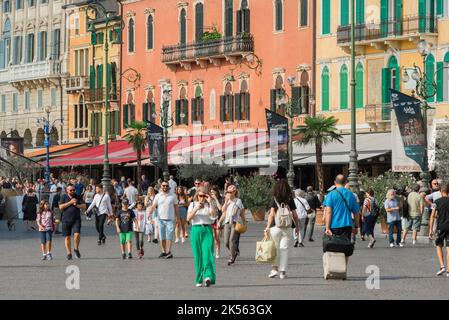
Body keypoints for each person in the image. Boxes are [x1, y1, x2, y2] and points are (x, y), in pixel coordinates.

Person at [265, 179, 299, 279]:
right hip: (287, 227)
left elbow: (271, 214)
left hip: (275, 227)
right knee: (284, 249)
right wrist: (296, 227)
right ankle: (282, 272)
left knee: (275, 248)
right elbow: (295, 215)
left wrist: (267, 227)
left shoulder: (274, 198)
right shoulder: (290, 199)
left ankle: (274, 269)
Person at [323, 175, 360, 265]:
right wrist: (356, 226)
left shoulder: (331, 194)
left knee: (332, 246)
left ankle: (333, 268)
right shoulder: (350, 194)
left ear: (335, 182)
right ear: (345, 183)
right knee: (345, 247)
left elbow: (328, 212)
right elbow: (356, 212)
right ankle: (343, 268)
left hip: (333, 225)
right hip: (347, 225)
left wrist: (327, 228)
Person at [187, 186, 217, 287]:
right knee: (198, 256)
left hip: (207, 229)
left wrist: (211, 202)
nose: (202, 198)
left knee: (207, 253)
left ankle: (208, 276)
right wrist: (196, 208)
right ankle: (199, 278)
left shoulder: (209, 205)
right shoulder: (192, 204)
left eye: (204, 196)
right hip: (196, 230)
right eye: (200, 196)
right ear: (197, 195)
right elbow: (188, 218)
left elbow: (214, 216)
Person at [147, 181, 180, 259]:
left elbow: (176, 207)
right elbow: (154, 205)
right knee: (162, 237)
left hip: (170, 219)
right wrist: (149, 214)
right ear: (161, 186)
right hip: (160, 219)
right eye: (163, 186)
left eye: (166, 186)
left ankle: (168, 252)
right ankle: (163, 251)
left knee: (169, 237)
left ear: (169, 186)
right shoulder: (158, 196)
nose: (165, 187)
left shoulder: (173, 195)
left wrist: (177, 218)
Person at [217, 185, 246, 266]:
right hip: (227, 223)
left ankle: (232, 257)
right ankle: (234, 251)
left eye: (230, 192)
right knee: (226, 242)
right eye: (227, 192)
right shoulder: (227, 201)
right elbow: (223, 211)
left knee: (231, 240)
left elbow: (235, 212)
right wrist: (219, 221)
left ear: (234, 192)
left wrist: (244, 222)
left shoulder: (238, 200)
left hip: (235, 222)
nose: (229, 193)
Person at [59, 184, 86, 260]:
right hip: (66, 219)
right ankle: (69, 253)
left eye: (74, 190)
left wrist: (77, 205)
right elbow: (60, 207)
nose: (73, 191)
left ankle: (76, 249)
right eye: (71, 190)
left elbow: (84, 206)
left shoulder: (78, 196)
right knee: (67, 237)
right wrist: (70, 202)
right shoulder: (63, 196)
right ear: (67, 190)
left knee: (77, 235)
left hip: (76, 219)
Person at [429, 183, 449, 277]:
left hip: (440, 227)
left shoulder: (436, 202)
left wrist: (430, 230)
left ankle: (442, 266)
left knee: (439, 245)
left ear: (441, 192)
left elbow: (432, 216)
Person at [209, 185, 223, 259]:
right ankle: (212, 251)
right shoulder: (209, 199)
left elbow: (220, 208)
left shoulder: (221, 199)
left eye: (213, 193)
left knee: (216, 237)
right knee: (212, 237)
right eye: (210, 193)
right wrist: (210, 201)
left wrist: (216, 199)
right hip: (211, 219)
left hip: (219, 219)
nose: (211, 194)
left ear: (216, 192)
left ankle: (218, 250)